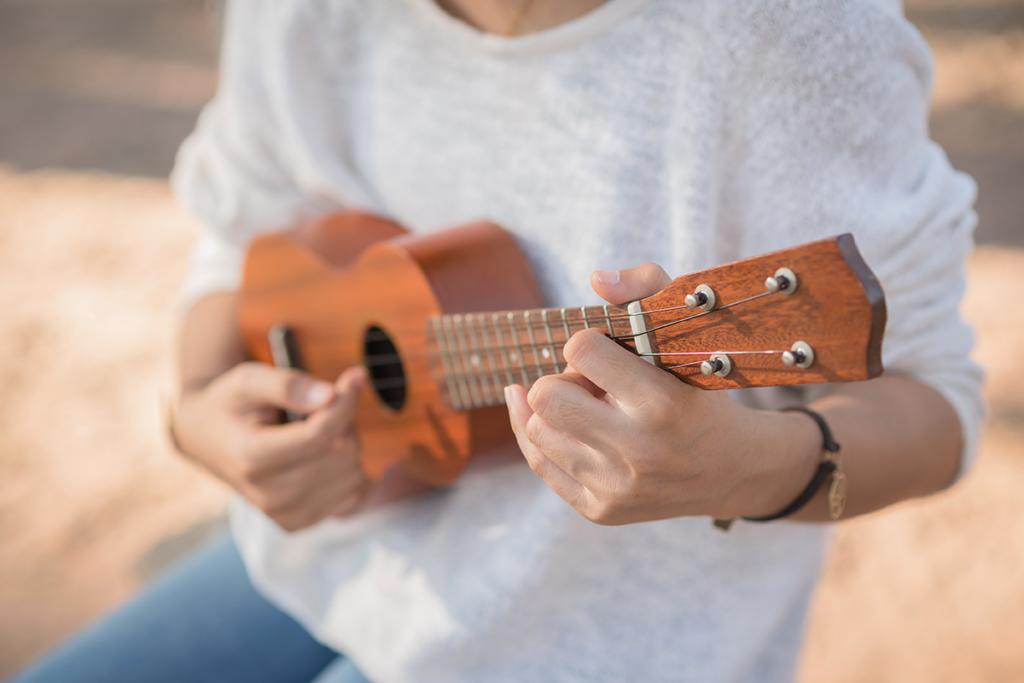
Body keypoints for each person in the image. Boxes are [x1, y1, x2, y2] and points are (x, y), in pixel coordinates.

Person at [12, 0, 985, 681]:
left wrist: (750, 467)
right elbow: (238, 230)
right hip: (308, 561)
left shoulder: (791, 32)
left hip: (594, 650)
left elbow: (935, 402)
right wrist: (196, 415)